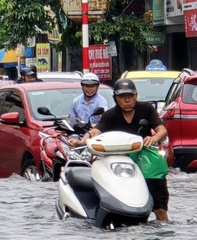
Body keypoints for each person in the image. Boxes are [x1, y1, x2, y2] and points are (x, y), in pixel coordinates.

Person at [69, 79, 169, 221]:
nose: (127, 100)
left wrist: (154, 138)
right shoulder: (110, 115)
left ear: (136, 96)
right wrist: (81, 142)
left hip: (145, 160)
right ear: (115, 98)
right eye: (122, 96)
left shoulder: (146, 109)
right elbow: (96, 131)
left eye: (130, 96)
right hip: (120, 163)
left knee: (160, 207)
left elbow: (162, 130)